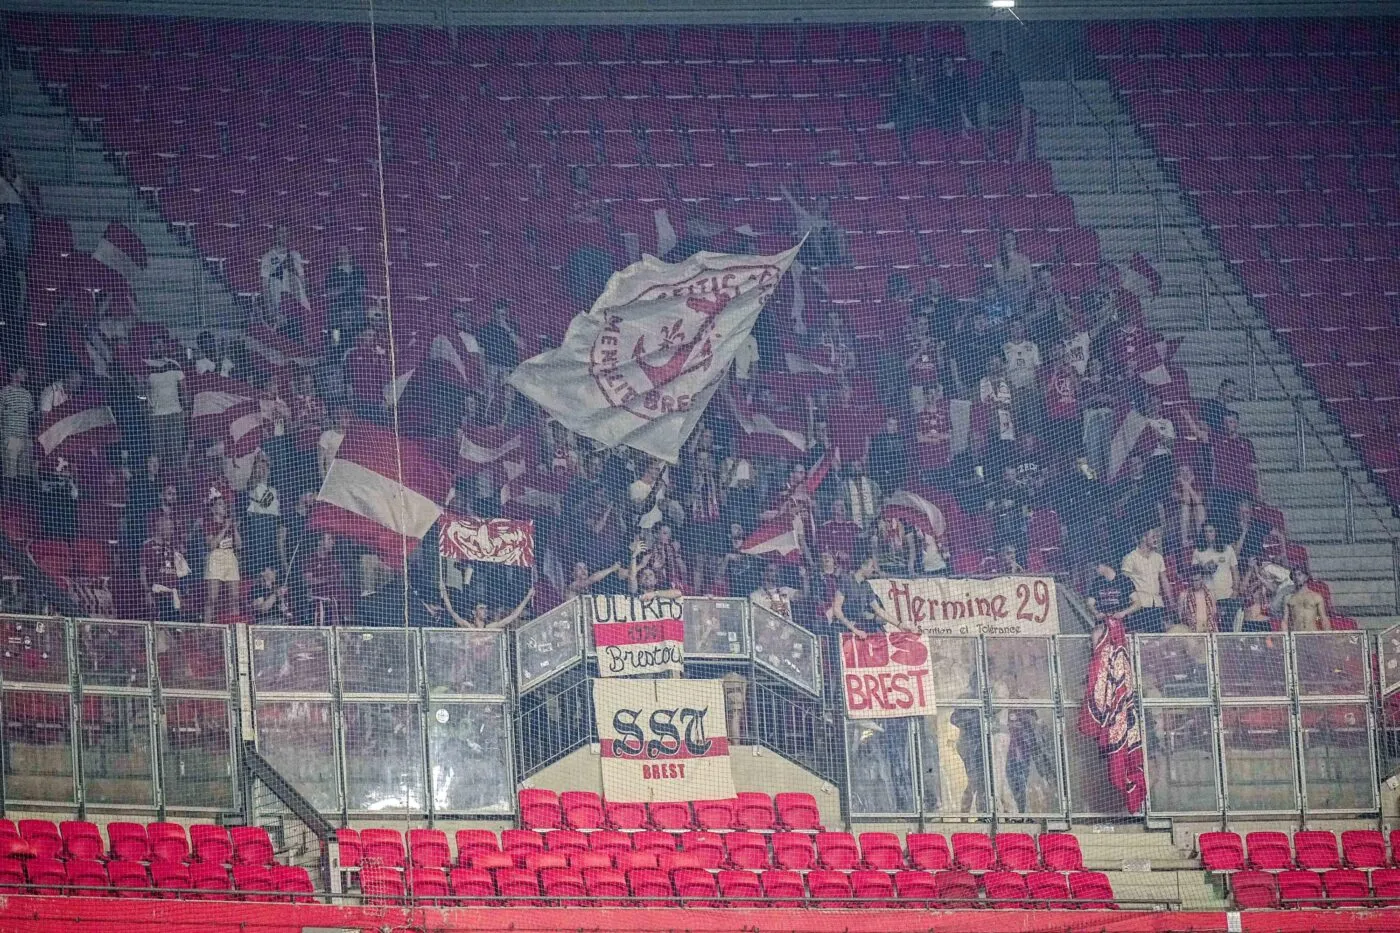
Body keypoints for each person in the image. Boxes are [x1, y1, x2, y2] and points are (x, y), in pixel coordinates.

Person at [977, 50, 1032, 160]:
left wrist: (1012, 101)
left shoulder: (1011, 75)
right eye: (998, 62)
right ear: (993, 63)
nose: (1001, 64)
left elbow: (1019, 95)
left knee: (1025, 110)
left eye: (1003, 61)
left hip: (1008, 107)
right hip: (992, 108)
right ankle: (988, 147)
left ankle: (1022, 147)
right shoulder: (986, 76)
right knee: (982, 108)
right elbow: (982, 95)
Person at [779, 186, 848, 267]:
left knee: (839, 231)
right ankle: (822, 258)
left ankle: (841, 258)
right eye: (821, 202)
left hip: (821, 248)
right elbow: (793, 203)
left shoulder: (826, 221)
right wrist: (784, 190)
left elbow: (831, 234)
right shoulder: (804, 214)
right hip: (805, 250)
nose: (823, 205)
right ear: (816, 203)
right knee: (814, 232)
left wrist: (835, 229)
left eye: (825, 203)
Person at [139, 512, 190, 621]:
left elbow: (181, 572)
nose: (171, 531)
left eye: (172, 528)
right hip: (157, 593)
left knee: (176, 627)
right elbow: (142, 572)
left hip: (174, 593)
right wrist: (147, 592)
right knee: (160, 625)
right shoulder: (148, 546)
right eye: (169, 527)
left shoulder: (174, 546)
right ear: (160, 526)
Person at [1120, 528, 1171, 634]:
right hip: (1139, 606)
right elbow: (1124, 584)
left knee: (1156, 638)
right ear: (1143, 538)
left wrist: (1171, 602)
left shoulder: (1158, 558)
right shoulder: (1130, 558)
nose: (1156, 539)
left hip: (1156, 605)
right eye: (1153, 537)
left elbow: (1164, 580)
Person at [203, 495, 242, 624]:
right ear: (213, 508)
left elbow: (239, 545)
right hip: (215, 557)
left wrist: (234, 527)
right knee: (212, 598)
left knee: (234, 598)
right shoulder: (209, 523)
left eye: (224, 504)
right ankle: (208, 627)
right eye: (220, 504)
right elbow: (211, 545)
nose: (224, 506)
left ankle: (234, 625)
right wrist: (225, 528)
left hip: (230, 557)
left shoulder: (230, 523)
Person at [1191, 523, 1240, 624]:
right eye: (1206, 532)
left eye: (1211, 531)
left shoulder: (1228, 549)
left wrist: (1235, 591)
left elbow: (1235, 571)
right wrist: (1204, 568)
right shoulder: (1198, 551)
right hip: (1208, 595)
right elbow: (1194, 573)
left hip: (1226, 595)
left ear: (1216, 532)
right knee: (1210, 625)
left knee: (1226, 626)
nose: (1208, 534)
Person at [146, 345, 186, 467]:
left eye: (161, 344)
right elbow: (141, 391)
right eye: (155, 344)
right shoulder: (146, 365)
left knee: (176, 450)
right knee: (158, 451)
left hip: (175, 413)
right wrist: (146, 404)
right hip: (157, 415)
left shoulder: (174, 364)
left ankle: (176, 479)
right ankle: (159, 479)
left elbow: (183, 388)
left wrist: (185, 406)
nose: (158, 347)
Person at [259, 225, 310, 315]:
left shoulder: (295, 255)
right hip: (278, 300)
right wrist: (269, 306)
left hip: (295, 299)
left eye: (286, 232)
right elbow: (265, 285)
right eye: (280, 232)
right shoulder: (268, 257)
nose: (284, 235)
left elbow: (302, 278)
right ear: (275, 235)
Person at [322, 245, 367, 345]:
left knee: (359, 316)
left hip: (355, 303)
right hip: (338, 304)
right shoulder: (333, 272)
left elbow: (363, 291)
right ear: (337, 256)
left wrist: (353, 289)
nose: (343, 256)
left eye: (345, 253)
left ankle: (357, 345)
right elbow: (329, 293)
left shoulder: (358, 271)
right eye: (340, 254)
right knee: (334, 321)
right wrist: (345, 288)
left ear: (350, 255)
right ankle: (335, 345)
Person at [0, 365, 33, 496]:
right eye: (21, 371)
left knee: (24, 475)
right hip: (10, 437)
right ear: (13, 374)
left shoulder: (27, 394)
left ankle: (23, 505)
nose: (25, 374)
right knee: (10, 473)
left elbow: (30, 416)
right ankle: (7, 502)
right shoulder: (4, 392)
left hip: (24, 438)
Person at [1283, 567, 1330, 631]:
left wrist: (1327, 635)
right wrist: (1286, 637)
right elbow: (1285, 620)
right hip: (1296, 634)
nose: (1297, 577)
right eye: (1294, 575)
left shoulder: (1316, 597)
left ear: (1306, 577)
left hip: (1312, 634)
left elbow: (1323, 618)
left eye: (1299, 574)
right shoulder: (1288, 598)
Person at [1176, 566, 1219, 633]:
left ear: (1202, 579)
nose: (1194, 583)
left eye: (1196, 580)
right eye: (1192, 580)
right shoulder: (1184, 595)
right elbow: (1179, 616)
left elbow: (1214, 614)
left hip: (1209, 630)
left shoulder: (1210, 594)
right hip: (1191, 632)